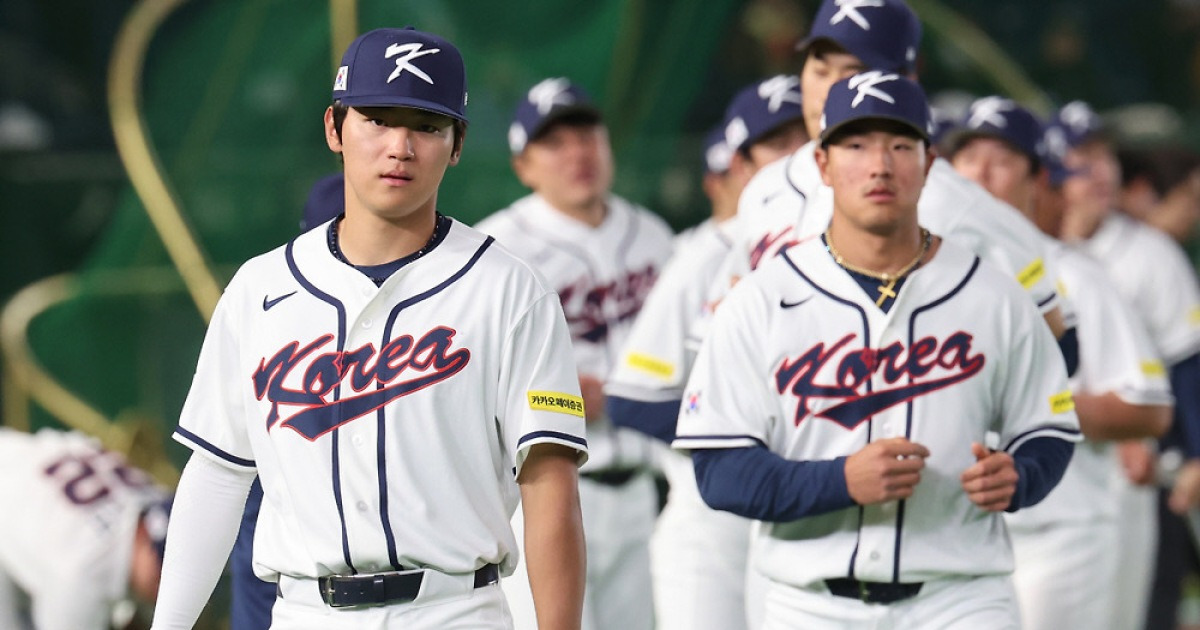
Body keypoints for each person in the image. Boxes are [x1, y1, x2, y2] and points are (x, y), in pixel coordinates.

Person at [150, 27, 588, 630]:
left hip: (455, 610)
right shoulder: (258, 289)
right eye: (378, 119)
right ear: (335, 128)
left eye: (427, 125)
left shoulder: (510, 289)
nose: (400, 147)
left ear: (458, 142)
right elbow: (219, 476)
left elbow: (549, 487)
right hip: (307, 612)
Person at [674, 72, 1080, 630]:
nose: (879, 165)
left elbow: (1050, 427)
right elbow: (719, 471)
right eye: (857, 144)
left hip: (961, 599)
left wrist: (1022, 475)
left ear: (930, 163)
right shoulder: (760, 299)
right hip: (808, 604)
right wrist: (839, 481)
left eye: (899, 145)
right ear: (822, 164)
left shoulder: (995, 295)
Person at [725, 0, 1071, 360]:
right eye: (820, 69)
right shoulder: (767, 188)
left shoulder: (959, 206)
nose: (827, 91)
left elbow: (1049, 327)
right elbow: (733, 300)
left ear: (908, 82)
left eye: (852, 73)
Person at [946, 96, 1174, 630]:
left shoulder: (1072, 276)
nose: (979, 172)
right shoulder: (928, 275)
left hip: (1057, 537)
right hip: (959, 545)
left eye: (1000, 159)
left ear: (1038, 179)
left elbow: (1147, 408)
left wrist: (1027, 399)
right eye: (967, 155)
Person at [604, 75, 807, 630]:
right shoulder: (712, 252)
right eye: (777, 143)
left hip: (806, 517)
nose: (796, 156)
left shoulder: (839, 253)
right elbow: (631, 397)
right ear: (739, 166)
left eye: (806, 136)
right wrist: (738, 436)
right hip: (711, 518)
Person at [476, 77, 674, 630]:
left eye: (586, 134)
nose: (577, 152)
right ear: (524, 166)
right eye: (554, 142)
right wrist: (551, 401)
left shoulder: (652, 235)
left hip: (643, 490)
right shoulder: (498, 252)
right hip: (544, 496)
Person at [1046, 100, 1200, 630]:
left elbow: (1187, 364)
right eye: (1083, 157)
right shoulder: (1022, 249)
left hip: (1134, 465)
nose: (1100, 172)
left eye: (1105, 156)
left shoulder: (1149, 253)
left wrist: (1192, 452)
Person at [0, 427, 170, 630]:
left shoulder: (155, 497)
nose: (166, 583)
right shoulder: (84, 575)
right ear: (145, 537)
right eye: (163, 569)